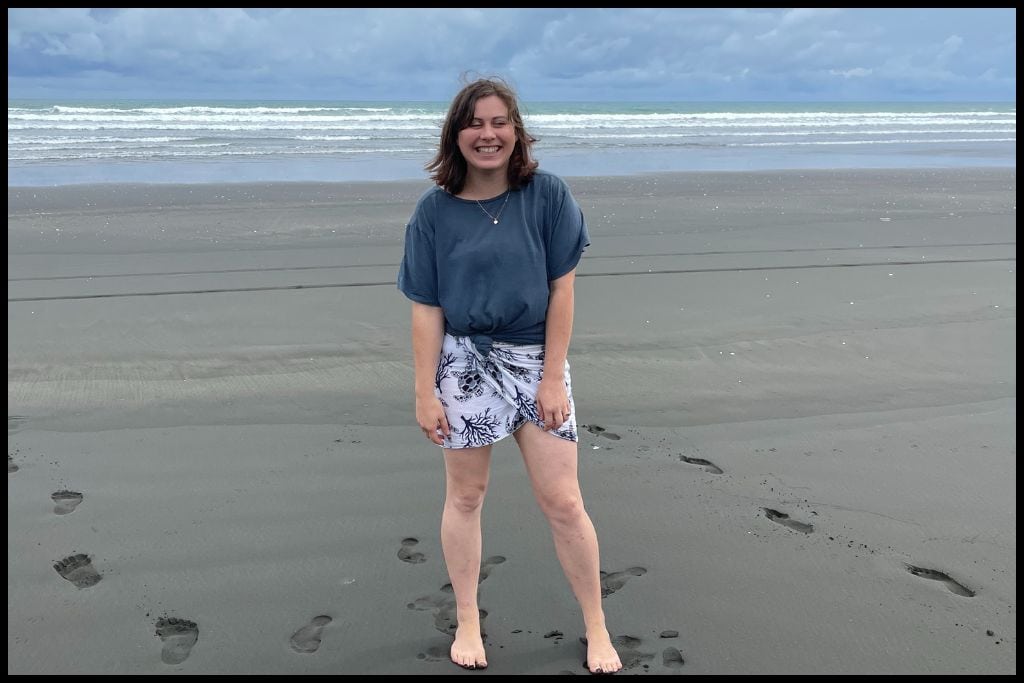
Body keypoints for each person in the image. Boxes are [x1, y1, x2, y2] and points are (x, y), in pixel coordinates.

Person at [397, 76, 622, 674]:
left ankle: (596, 626)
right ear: (456, 134)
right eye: (475, 123)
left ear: (516, 131)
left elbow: (562, 290)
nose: (487, 134)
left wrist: (552, 378)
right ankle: (468, 619)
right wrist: (424, 393)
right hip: (463, 364)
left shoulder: (546, 196)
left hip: (533, 360)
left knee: (563, 502)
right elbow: (425, 308)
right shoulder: (433, 212)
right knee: (465, 497)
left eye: (499, 123)